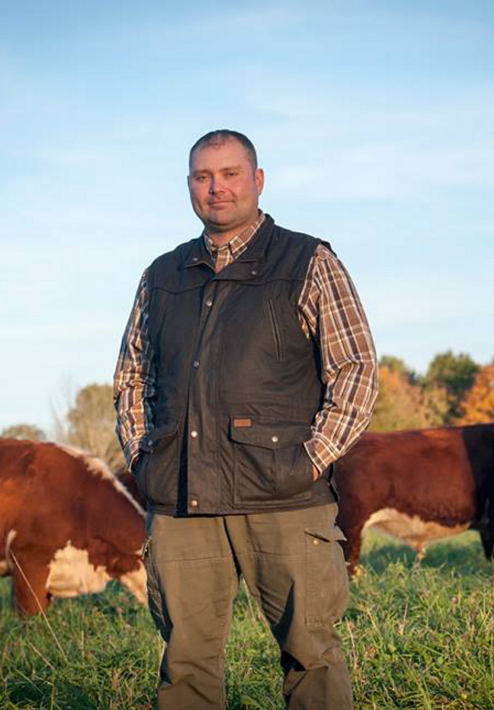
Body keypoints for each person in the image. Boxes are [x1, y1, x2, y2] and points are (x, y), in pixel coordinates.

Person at [114, 129, 378, 709]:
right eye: (203, 176)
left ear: (257, 181)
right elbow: (131, 378)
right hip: (182, 501)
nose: (217, 188)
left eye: (230, 174)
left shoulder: (308, 260)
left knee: (312, 656)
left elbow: (356, 367)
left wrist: (308, 459)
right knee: (185, 666)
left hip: (285, 498)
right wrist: (144, 457)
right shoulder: (161, 276)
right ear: (189, 186)